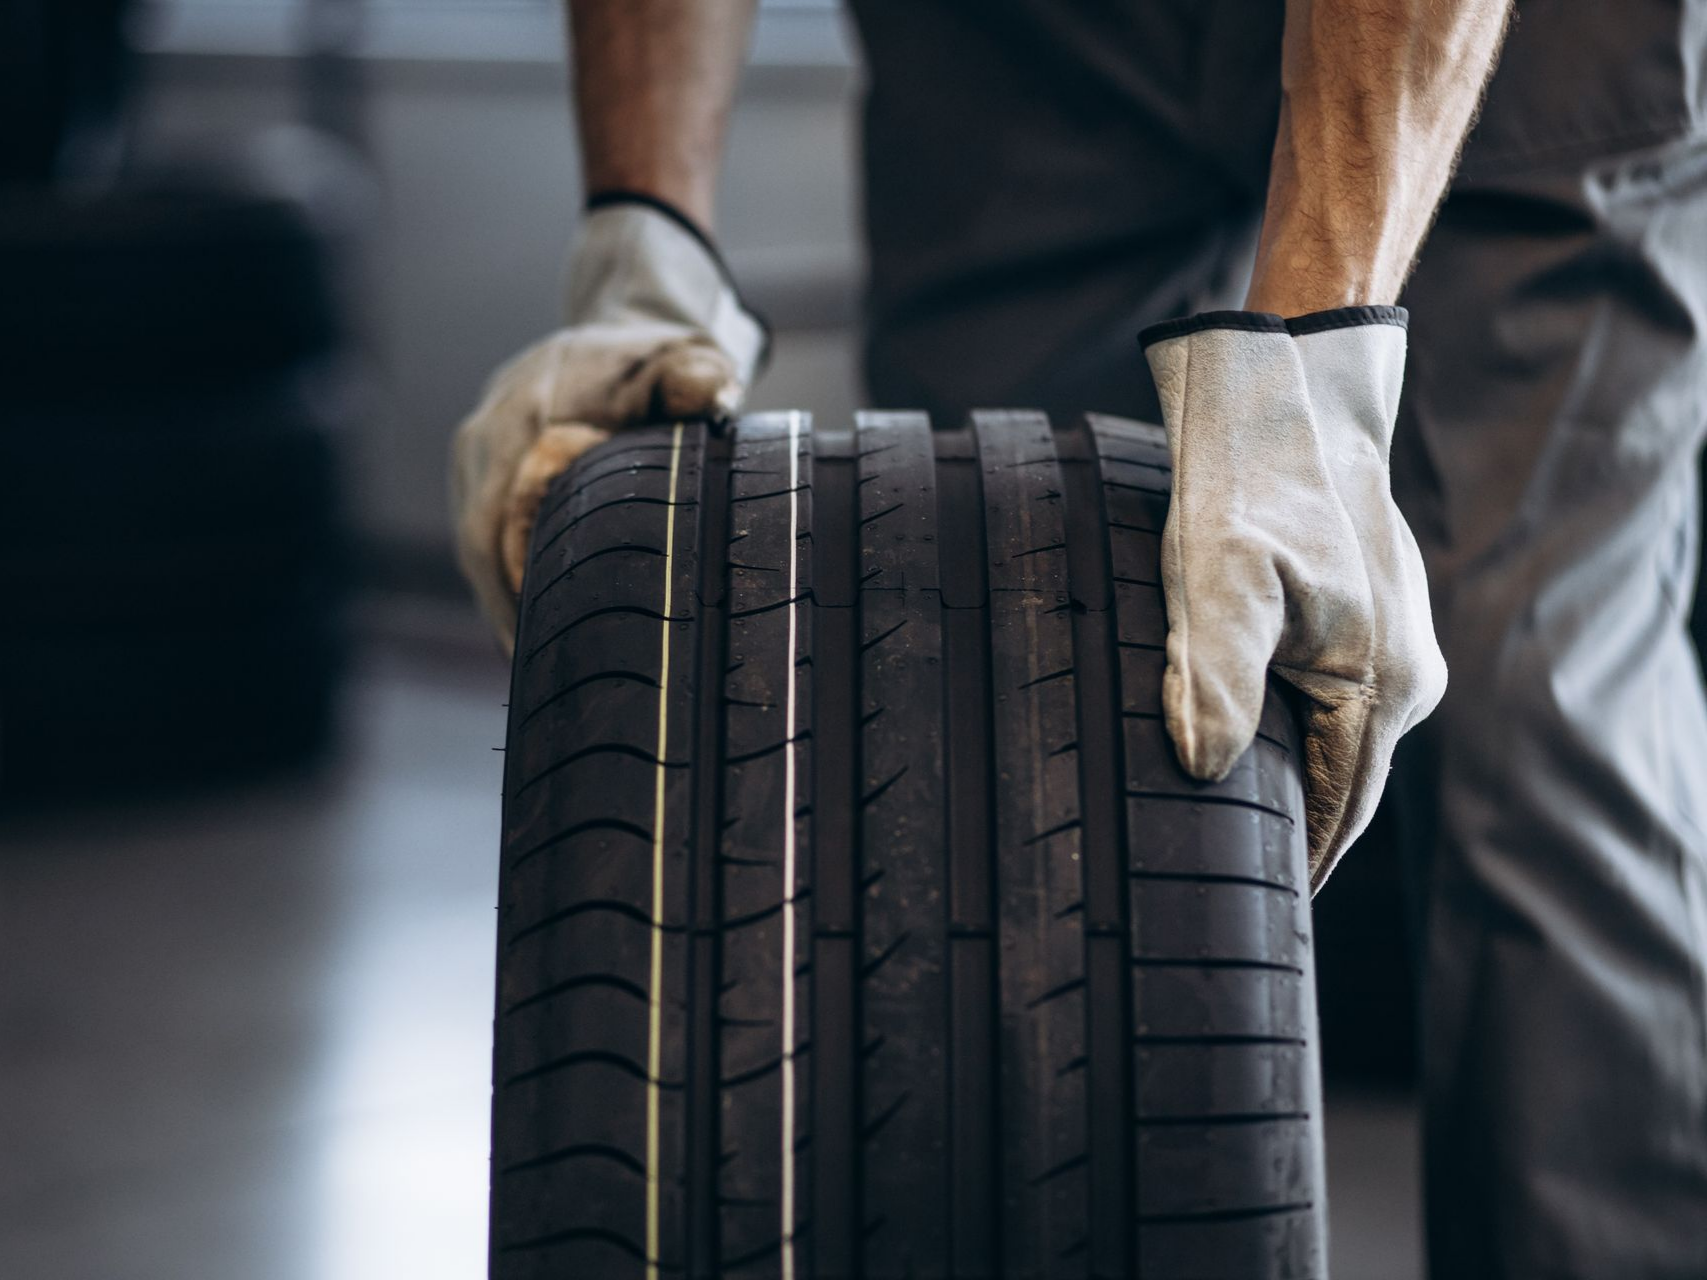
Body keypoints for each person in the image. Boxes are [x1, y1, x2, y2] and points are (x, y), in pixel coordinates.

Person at [452, 0, 1707, 1273]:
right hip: (1030, 40)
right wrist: (646, 232)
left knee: (1525, 697)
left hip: (1530, 40)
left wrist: (1317, 353)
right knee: (977, 698)